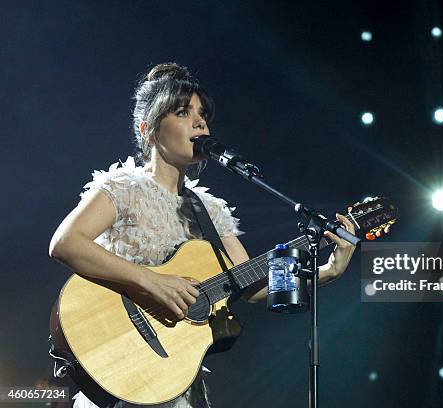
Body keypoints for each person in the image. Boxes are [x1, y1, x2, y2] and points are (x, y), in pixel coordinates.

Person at [48, 63, 356, 408]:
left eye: (202, 114)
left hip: (174, 380)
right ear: (148, 129)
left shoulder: (210, 209)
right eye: (183, 112)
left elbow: (255, 286)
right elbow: (65, 243)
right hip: (122, 366)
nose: (200, 123)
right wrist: (151, 281)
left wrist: (329, 271)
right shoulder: (122, 188)